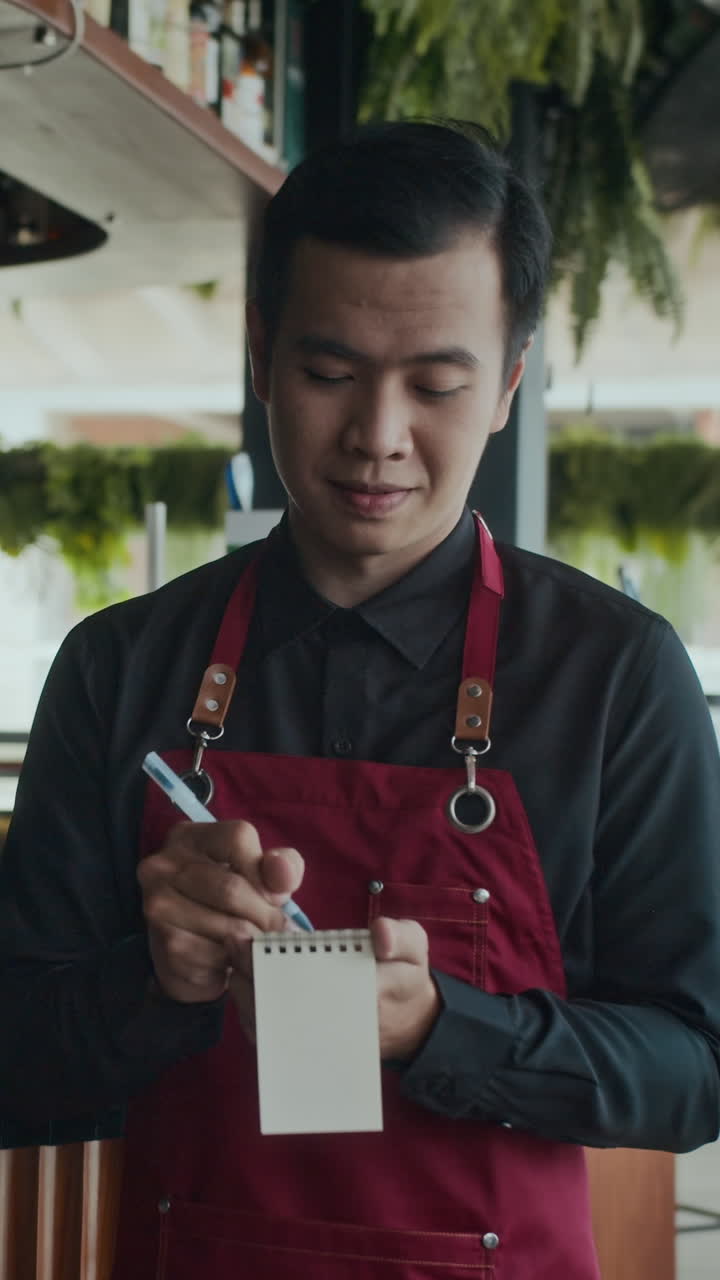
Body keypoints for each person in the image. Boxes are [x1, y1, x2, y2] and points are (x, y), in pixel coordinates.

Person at [1, 120, 720, 1280]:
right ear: (261, 356)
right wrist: (156, 979)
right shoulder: (118, 666)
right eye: (328, 374)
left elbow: (695, 1067)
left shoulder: (616, 676)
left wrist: (445, 1027)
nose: (378, 438)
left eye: (436, 384)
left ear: (510, 383)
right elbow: (15, 1063)